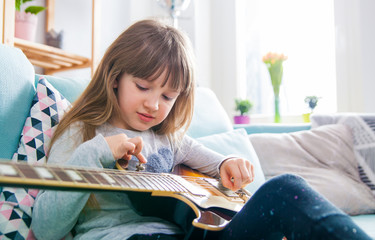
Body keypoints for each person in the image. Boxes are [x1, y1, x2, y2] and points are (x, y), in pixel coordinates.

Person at [31, 19, 371, 240]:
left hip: (195, 234)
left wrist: (230, 163)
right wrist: (99, 152)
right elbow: (46, 230)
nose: (154, 105)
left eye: (167, 95)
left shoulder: (168, 138)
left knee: (286, 187)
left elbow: (215, 163)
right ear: (115, 76)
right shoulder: (81, 132)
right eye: (143, 86)